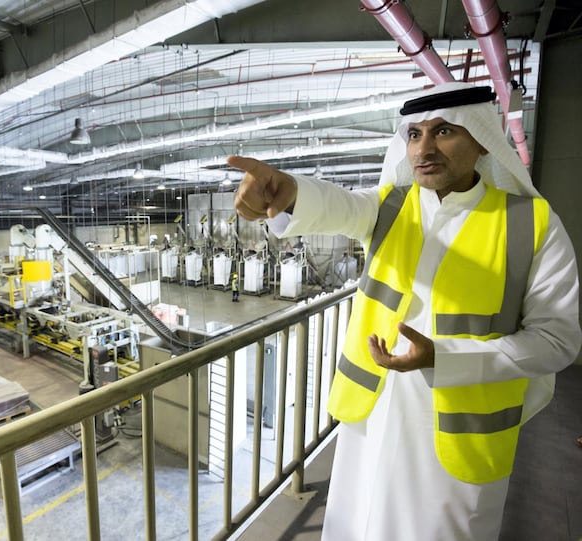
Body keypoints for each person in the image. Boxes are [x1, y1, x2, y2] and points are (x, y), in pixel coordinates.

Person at [228, 82, 581, 541]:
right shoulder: (391, 207)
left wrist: (444, 357)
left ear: (480, 141)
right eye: (414, 134)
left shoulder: (533, 224)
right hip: (371, 422)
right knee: (358, 525)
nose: (425, 147)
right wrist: (286, 190)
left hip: (460, 441)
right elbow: (338, 205)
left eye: (444, 131)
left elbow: (557, 341)